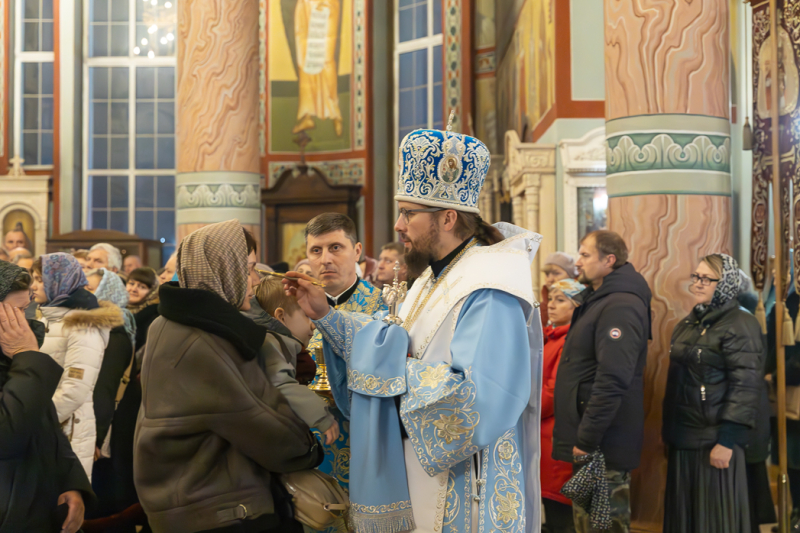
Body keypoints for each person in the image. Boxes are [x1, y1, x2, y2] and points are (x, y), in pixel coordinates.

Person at [285, 126, 543, 532]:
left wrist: (386, 367)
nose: (399, 225)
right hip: (420, 474)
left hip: (462, 488)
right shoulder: (430, 280)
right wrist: (327, 317)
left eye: (408, 213)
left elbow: (480, 399)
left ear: (448, 217)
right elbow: (391, 343)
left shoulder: (490, 286)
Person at [134, 220, 323, 533]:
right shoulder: (206, 340)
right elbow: (259, 423)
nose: (255, 279)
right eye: (247, 268)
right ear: (223, 270)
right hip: (218, 509)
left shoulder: (169, 323)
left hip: (194, 498)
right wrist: (309, 448)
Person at [552, 230, 652, 533]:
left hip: (602, 443)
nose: (578, 261)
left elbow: (613, 378)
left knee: (603, 526)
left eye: (585, 255)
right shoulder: (601, 297)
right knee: (588, 525)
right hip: (592, 441)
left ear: (609, 260)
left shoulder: (620, 305)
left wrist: (587, 438)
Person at [661, 254, 762, 532]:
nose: (698, 283)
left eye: (707, 278)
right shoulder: (688, 323)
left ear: (726, 282)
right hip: (685, 436)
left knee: (715, 520)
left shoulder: (740, 323)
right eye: (695, 276)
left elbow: (746, 386)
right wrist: (669, 433)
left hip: (715, 440)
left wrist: (728, 440)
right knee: (687, 519)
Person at [0, 262, 95, 533]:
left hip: (33, 507)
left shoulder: (15, 351)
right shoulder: (21, 353)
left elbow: (46, 423)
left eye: (27, 308)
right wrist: (27, 358)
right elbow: (7, 435)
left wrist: (70, 481)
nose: (26, 321)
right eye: (16, 312)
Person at [304, 212, 387, 495]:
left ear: (358, 251)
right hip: (309, 449)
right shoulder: (295, 309)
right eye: (316, 250)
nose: (325, 259)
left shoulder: (384, 308)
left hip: (366, 446)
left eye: (335, 248)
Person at [31, 253, 122, 479]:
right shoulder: (47, 319)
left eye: (40, 280)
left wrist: (32, 421)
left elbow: (74, 388)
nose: (33, 286)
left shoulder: (82, 325)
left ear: (59, 282)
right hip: (45, 428)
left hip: (66, 430)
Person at [254, 276, 338, 443]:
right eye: (306, 315)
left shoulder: (279, 342)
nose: (313, 325)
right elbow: (282, 383)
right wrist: (322, 417)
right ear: (281, 317)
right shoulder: (271, 343)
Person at [84, 268, 136, 521]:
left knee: (104, 506)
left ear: (107, 292)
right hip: (100, 424)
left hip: (104, 428)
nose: (85, 294)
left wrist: (95, 435)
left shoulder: (113, 332)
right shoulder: (101, 327)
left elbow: (104, 388)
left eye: (91, 288)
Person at [543, 279, 585, 533]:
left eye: (561, 300)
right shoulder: (550, 337)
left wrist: (524, 407)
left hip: (556, 433)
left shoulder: (570, 340)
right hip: (543, 433)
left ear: (576, 306)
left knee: (561, 514)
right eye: (551, 299)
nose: (551, 305)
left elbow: (553, 390)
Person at [541, 252, 578, 327]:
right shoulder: (542, 306)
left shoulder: (583, 300)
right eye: (547, 274)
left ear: (571, 275)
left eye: (556, 273)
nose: (550, 279)